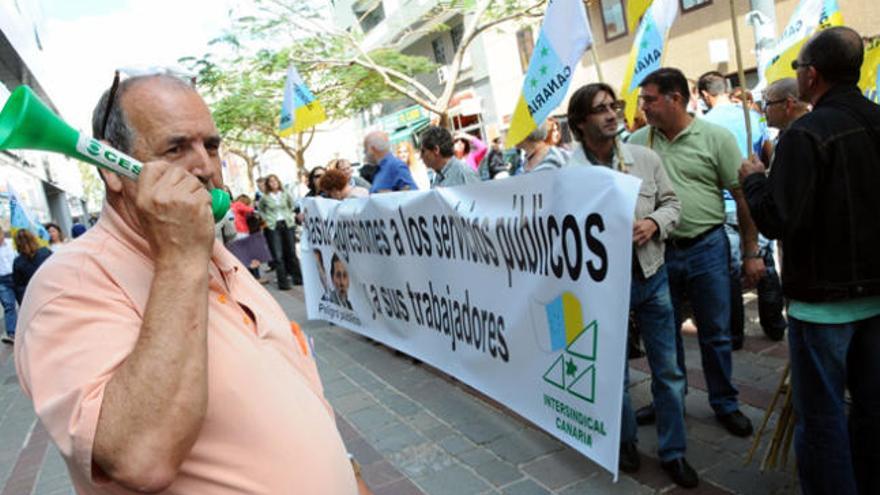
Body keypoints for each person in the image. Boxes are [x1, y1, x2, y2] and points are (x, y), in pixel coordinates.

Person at [13, 73, 364, 494]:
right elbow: (138, 458)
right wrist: (179, 259)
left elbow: (294, 390)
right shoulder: (68, 285)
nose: (205, 168)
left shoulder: (213, 252)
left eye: (211, 146)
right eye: (176, 148)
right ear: (111, 169)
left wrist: (347, 470)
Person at [740, 27, 880, 495]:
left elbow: (778, 219)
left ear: (811, 75)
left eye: (798, 67)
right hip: (872, 298)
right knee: (871, 409)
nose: (797, 75)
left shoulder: (806, 134)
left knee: (821, 421)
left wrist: (754, 180)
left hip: (823, 306)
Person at [567, 83, 696, 488]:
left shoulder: (645, 158)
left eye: (615, 105)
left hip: (652, 277)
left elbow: (673, 204)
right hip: (603, 290)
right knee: (613, 374)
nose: (612, 114)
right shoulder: (567, 175)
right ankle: (624, 442)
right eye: (600, 109)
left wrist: (654, 223)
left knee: (668, 371)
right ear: (580, 123)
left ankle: (674, 451)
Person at [628, 68, 761, 438]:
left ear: (675, 98)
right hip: (657, 254)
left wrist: (751, 251)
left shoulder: (715, 138)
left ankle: (725, 402)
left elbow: (741, 196)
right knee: (662, 334)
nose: (643, 107)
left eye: (649, 99)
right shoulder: (637, 143)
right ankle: (670, 400)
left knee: (715, 332)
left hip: (707, 248)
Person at [697, 71, 784, 347]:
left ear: (705, 95)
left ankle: (735, 334)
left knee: (731, 272)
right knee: (765, 265)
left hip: (727, 204)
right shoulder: (752, 116)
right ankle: (775, 324)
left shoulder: (704, 125)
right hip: (755, 199)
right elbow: (769, 153)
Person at [259, 174, 303, 290]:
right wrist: (266, 219)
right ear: (268, 184)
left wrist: (290, 215)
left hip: (287, 224)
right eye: (270, 182)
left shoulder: (285, 193)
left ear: (278, 182)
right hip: (273, 226)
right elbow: (261, 209)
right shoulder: (265, 197)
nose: (273, 183)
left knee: (291, 252)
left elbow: (291, 205)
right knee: (278, 255)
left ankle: (297, 278)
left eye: (275, 181)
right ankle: (283, 283)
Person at [12, 229, 52, 304]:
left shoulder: (18, 262)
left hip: (34, 298)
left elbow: (19, 287)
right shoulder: (45, 252)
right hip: (51, 291)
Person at [0, 226, 16, 345]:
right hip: (2, 280)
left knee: (25, 301)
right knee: (9, 306)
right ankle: (12, 333)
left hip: (17, 276)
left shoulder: (12, 243)